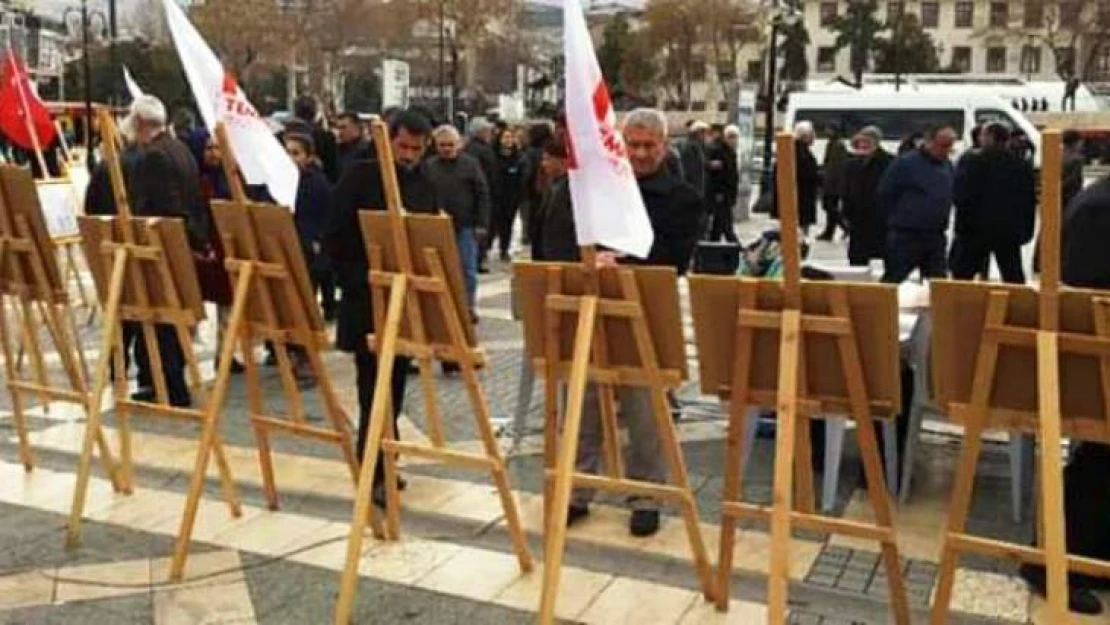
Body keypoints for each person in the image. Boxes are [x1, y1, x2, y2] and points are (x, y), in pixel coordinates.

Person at [565, 108, 705, 537]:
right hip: (595, 306)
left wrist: (623, 257)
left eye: (649, 145)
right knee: (582, 401)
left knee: (645, 408)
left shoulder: (683, 197)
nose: (641, 153)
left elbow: (675, 257)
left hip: (647, 309)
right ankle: (578, 488)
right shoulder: (599, 188)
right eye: (634, 144)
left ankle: (646, 495)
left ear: (664, 145)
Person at [326, 109, 438, 506]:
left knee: (395, 386)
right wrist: (361, 278)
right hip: (367, 298)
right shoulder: (360, 176)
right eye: (403, 146)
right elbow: (335, 235)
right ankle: (372, 466)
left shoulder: (424, 180)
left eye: (417, 149)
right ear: (387, 140)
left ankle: (386, 457)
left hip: (403, 300)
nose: (409, 155)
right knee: (372, 388)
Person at [1019, 170, 1110, 616]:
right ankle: (1050, 563)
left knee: (1099, 463)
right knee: (1095, 463)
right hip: (1095, 353)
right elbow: (1091, 289)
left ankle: (1088, 559)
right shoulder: (1099, 207)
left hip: (1096, 351)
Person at [124, 95, 207, 407]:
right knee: (175, 319)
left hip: (166, 246)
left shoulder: (153, 156)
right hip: (184, 243)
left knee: (164, 320)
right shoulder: (180, 148)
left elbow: (161, 208)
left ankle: (170, 386)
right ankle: (168, 381)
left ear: (141, 123)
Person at [950, 123, 1035, 284]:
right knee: (1012, 276)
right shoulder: (1021, 165)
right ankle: (1015, 307)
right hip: (1008, 231)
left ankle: (959, 307)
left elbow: (961, 196)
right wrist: (1024, 231)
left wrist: (961, 227)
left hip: (974, 231)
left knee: (962, 277)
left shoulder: (972, 161)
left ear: (989, 137)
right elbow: (1028, 200)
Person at [423, 125, 491, 318]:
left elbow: (482, 194)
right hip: (437, 225)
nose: (446, 149)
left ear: (459, 144)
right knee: (438, 267)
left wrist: (482, 223)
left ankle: (467, 306)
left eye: (450, 145)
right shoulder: (429, 166)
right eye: (442, 145)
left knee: (467, 269)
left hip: (466, 225)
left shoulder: (470, 165)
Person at [879, 126, 957, 283]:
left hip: (935, 235)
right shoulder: (905, 163)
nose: (946, 151)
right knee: (894, 278)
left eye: (950, 147)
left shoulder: (947, 165)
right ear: (929, 142)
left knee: (938, 283)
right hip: (907, 235)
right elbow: (886, 193)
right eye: (942, 146)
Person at [284, 133, 333, 384]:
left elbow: (324, 219)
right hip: (284, 250)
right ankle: (290, 352)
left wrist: (315, 244)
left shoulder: (316, 183)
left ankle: (306, 357)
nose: (291, 158)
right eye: (287, 151)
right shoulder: (278, 178)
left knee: (304, 305)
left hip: (307, 254)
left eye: (296, 152)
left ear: (308, 156)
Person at [841, 126, 894, 267]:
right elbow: (846, 190)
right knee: (857, 260)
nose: (863, 145)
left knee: (889, 258)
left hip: (881, 219)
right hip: (858, 220)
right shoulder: (852, 164)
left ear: (876, 142)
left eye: (867, 142)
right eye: (860, 142)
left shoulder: (890, 162)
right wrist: (845, 214)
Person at [771, 121, 820, 236]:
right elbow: (805, 174)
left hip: (798, 200)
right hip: (798, 201)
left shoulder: (797, 149)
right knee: (798, 234)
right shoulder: (798, 151)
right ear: (805, 136)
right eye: (812, 134)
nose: (814, 137)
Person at [466, 118, 500, 273]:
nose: (490, 134)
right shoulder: (484, 150)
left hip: (471, 195)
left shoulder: (467, 148)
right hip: (484, 192)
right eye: (487, 131)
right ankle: (478, 259)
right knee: (483, 227)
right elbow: (491, 174)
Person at [533, 139, 573, 262]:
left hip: (564, 257)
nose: (543, 164)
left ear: (562, 161)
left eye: (548, 159)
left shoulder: (571, 188)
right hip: (548, 257)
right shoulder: (552, 186)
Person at [287, 95, 339, 185]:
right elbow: (332, 169)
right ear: (315, 113)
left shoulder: (280, 136)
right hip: (318, 184)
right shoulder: (326, 137)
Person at [489, 127, 523, 261]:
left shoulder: (518, 157)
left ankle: (504, 249)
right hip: (495, 196)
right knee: (493, 223)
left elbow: (521, 177)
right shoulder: (493, 156)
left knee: (507, 224)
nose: (508, 140)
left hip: (511, 197)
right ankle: (487, 248)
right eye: (505, 137)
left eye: (510, 137)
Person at [704, 124, 739, 242]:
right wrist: (718, 192)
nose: (734, 140)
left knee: (718, 225)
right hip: (720, 193)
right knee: (726, 224)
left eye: (735, 137)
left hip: (727, 193)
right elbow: (716, 174)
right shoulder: (718, 151)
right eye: (731, 137)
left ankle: (712, 246)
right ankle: (737, 248)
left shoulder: (731, 152)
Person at [818, 126, 849, 241]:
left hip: (834, 183)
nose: (827, 132)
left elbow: (837, 166)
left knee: (830, 206)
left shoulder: (838, 145)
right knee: (829, 207)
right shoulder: (831, 144)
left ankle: (844, 226)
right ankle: (829, 231)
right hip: (830, 181)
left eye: (829, 129)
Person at [334, 112, 373, 177]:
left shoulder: (367, 150)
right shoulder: (339, 149)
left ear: (356, 127)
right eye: (338, 128)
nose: (340, 132)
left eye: (343, 127)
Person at [678, 120, 708, 199]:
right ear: (697, 133)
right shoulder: (689, 147)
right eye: (703, 132)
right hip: (692, 187)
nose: (705, 135)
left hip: (698, 186)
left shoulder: (698, 145)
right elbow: (689, 169)